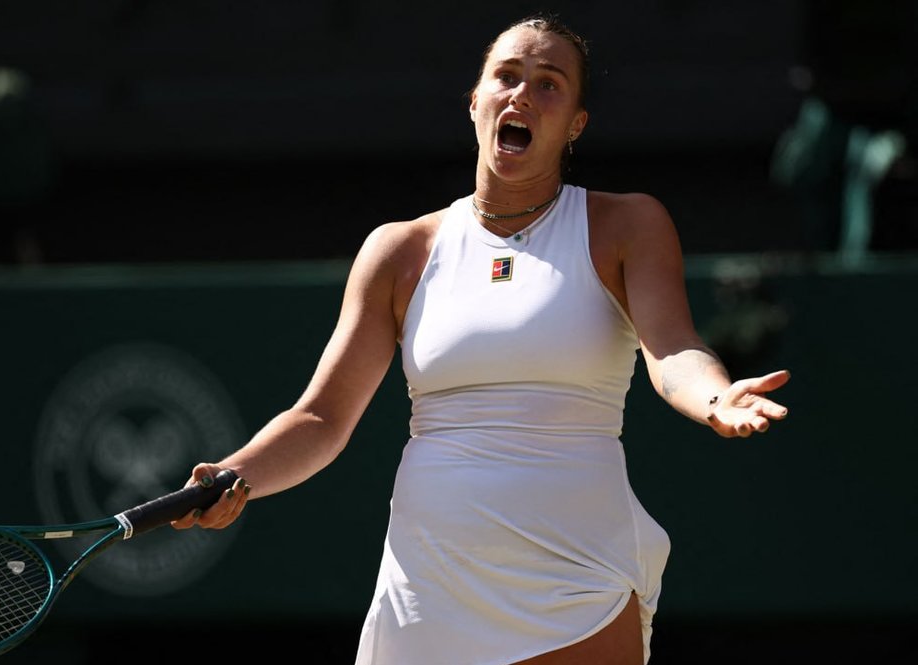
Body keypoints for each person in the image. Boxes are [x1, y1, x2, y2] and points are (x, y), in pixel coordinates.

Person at [172, 14, 791, 665]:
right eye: (508, 76)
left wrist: (716, 397)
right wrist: (237, 474)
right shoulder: (398, 251)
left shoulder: (627, 225)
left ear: (575, 124)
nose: (523, 93)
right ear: (476, 102)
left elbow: (672, 350)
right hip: (428, 590)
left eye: (549, 84)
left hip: (576, 580)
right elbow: (321, 417)